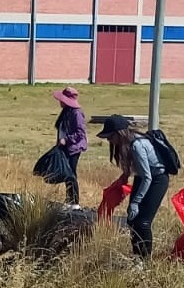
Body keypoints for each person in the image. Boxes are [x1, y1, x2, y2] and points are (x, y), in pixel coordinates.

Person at [97, 115, 169, 259]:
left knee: (142, 222)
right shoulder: (128, 143)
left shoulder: (137, 145)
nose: (108, 140)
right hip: (142, 178)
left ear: (118, 134)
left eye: (110, 136)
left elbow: (148, 177)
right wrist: (123, 177)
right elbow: (136, 168)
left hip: (157, 180)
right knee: (132, 220)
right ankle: (137, 257)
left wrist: (136, 202)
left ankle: (145, 260)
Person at [53, 86, 88, 209]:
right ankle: (69, 200)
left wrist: (66, 140)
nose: (60, 101)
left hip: (74, 148)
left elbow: (80, 133)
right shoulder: (66, 112)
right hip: (65, 147)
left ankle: (74, 202)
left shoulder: (76, 113)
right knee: (67, 173)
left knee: (71, 173)